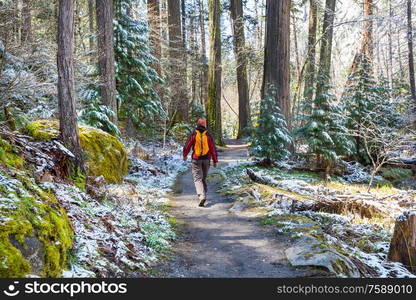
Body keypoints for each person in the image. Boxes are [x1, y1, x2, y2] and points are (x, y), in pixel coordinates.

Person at [183, 117, 218, 207]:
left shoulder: (194, 134)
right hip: (206, 160)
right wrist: (215, 160)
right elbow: (213, 148)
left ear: (197, 124)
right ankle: (203, 195)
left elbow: (187, 145)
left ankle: (202, 196)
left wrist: (185, 155)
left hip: (196, 159)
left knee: (198, 178)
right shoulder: (208, 135)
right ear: (205, 124)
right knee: (203, 178)